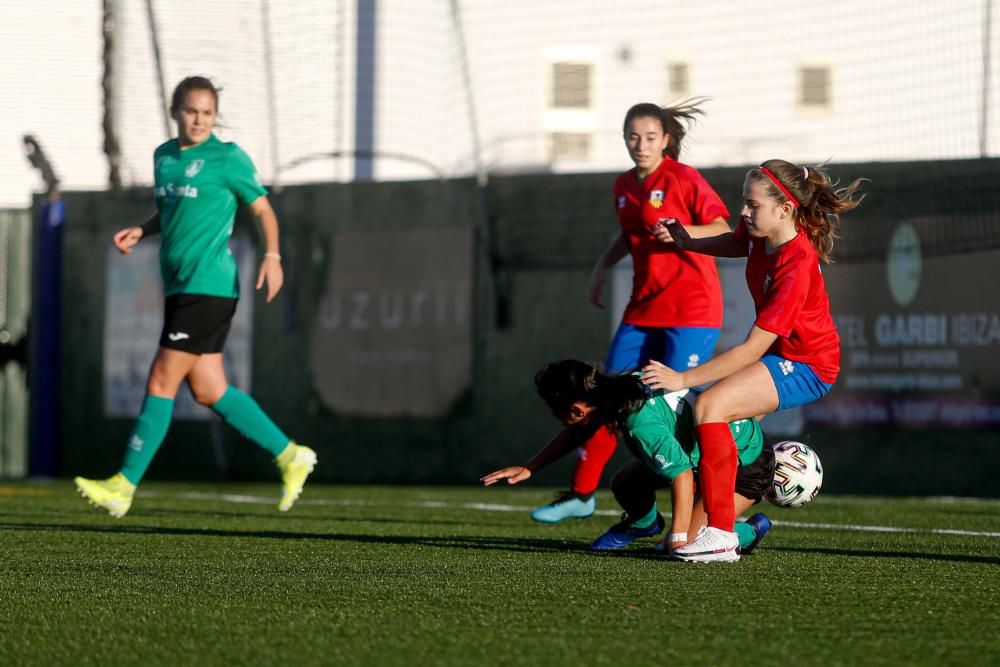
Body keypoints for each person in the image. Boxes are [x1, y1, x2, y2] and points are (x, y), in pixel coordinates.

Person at [74, 76, 317, 518]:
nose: (200, 119)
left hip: (209, 286)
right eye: (191, 111)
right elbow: (174, 211)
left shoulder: (227, 159)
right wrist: (143, 229)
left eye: (207, 112)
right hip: (182, 285)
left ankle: (123, 486)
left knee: (160, 382)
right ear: (175, 111)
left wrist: (273, 255)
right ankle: (290, 454)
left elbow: (262, 209)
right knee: (208, 389)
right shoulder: (164, 158)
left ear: (215, 115)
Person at [643, 159, 864, 562]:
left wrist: (681, 378)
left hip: (809, 366)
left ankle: (722, 535)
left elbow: (751, 349)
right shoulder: (758, 233)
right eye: (744, 202)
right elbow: (734, 241)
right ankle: (732, 529)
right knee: (678, 543)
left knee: (711, 405)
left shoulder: (796, 265)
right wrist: (686, 241)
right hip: (783, 357)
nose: (743, 211)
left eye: (752, 204)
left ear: (785, 209)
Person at [530, 101, 731, 524]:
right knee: (603, 396)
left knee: (673, 408)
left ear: (667, 140)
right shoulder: (624, 184)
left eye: (650, 137)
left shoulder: (684, 178)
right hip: (643, 309)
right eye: (633, 137)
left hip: (692, 310)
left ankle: (697, 513)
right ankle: (583, 494)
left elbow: (722, 228)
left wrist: (683, 233)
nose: (641, 145)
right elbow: (630, 233)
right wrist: (604, 264)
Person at [482, 360, 774, 557]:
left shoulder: (638, 422)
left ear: (576, 408)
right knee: (625, 483)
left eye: (554, 408)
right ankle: (644, 524)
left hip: (744, 463)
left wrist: (678, 537)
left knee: (689, 547)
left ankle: (750, 530)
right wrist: (530, 467)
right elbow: (577, 433)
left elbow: (682, 475)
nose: (555, 416)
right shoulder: (615, 392)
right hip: (700, 456)